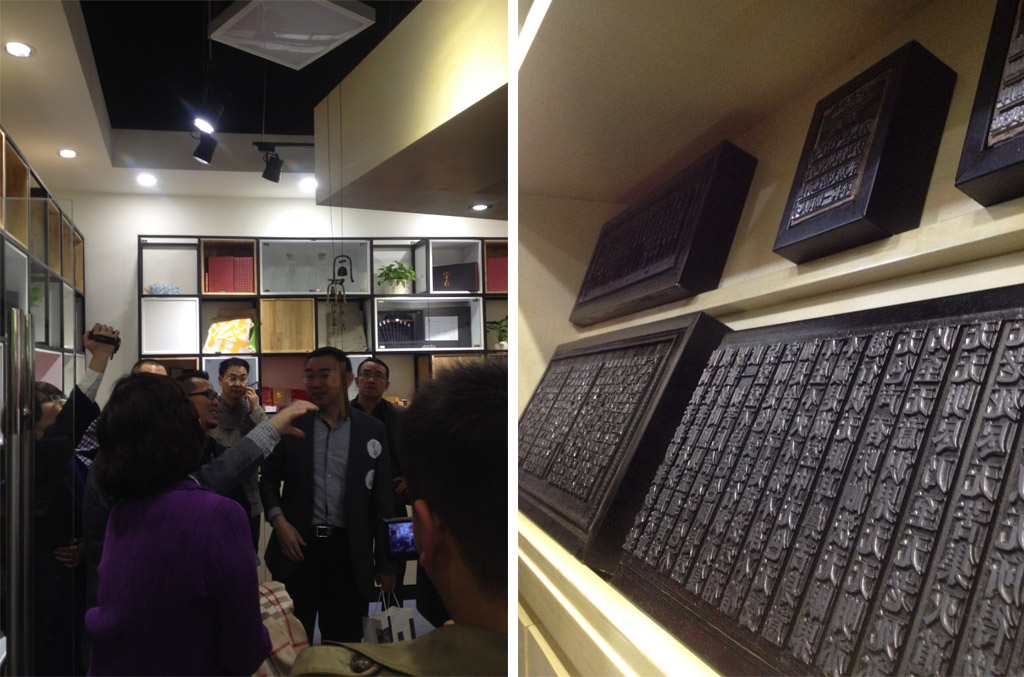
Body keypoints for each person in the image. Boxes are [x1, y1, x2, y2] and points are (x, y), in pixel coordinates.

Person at [292, 358, 508, 676]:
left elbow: (412, 464)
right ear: (356, 381)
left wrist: (409, 480)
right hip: (342, 524)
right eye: (366, 374)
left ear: (387, 384)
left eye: (378, 375)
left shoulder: (400, 419)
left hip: (389, 512)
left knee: (382, 589)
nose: (371, 380)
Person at [85, 373, 277, 675]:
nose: (213, 403)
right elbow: (244, 649)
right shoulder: (217, 515)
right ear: (183, 429)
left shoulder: (122, 513)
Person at [259, 346, 398, 643]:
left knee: (343, 645)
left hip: (350, 554)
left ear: (347, 379)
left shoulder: (372, 429)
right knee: (294, 644)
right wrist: (280, 524)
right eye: (310, 376)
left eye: (325, 375)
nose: (316, 383)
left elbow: (383, 499)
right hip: (297, 550)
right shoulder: (291, 422)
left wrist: (386, 563)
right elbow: (267, 481)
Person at [33, 323, 119, 676]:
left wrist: (83, 542)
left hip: (74, 585)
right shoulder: (35, 460)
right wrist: (100, 356)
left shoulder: (69, 460)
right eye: (50, 399)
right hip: (45, 593)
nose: (60, 402)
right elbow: (75, 416)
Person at [210, 357, 267, 549]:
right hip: (216, 499)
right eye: (232, 378)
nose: (238, 383)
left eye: (242, 378)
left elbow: (270, 442)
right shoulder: (212, 409)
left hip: (249, 501)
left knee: (249, 555)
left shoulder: (252, 409)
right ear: (220, 380)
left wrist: (256, 409)